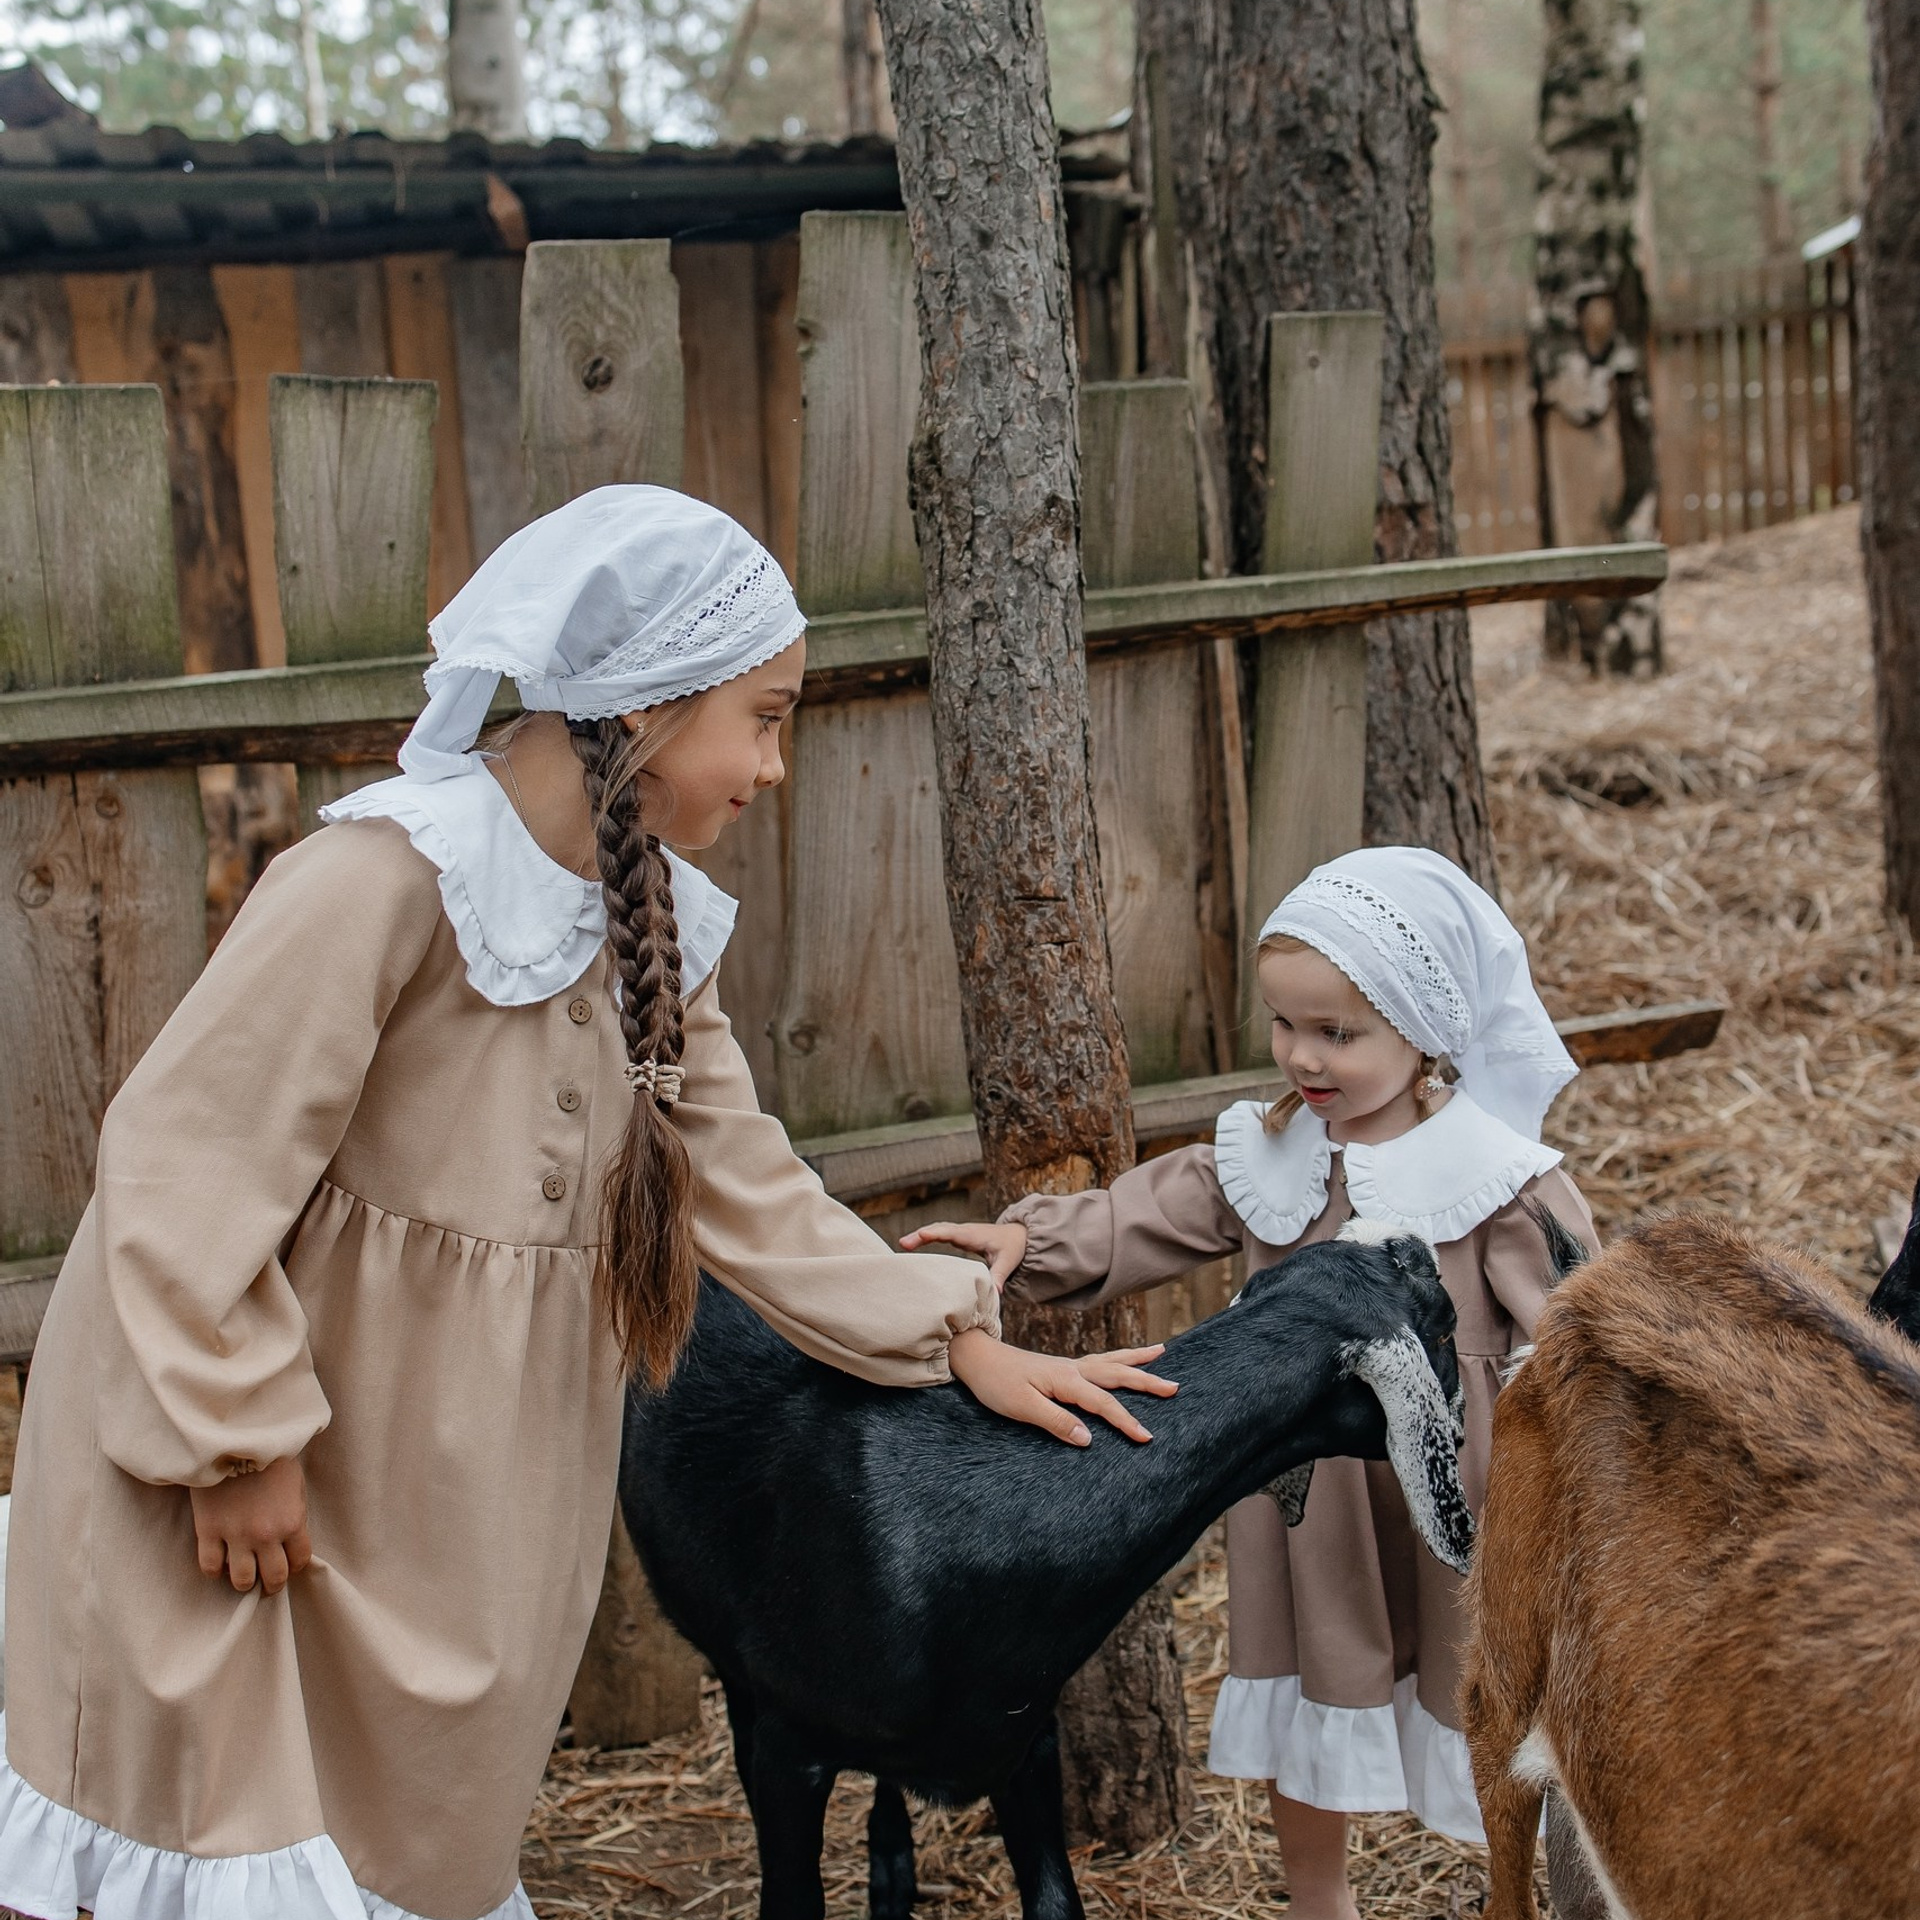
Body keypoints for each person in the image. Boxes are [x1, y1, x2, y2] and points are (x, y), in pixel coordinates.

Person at [0, 486, 1172, 1920]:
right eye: (766, 715)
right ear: (646, 708)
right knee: (249, 1831)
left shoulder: (656, 932)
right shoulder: (383, 881)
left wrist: (953, 1332)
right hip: (274, 1453)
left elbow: (748, 1186)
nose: (777, 764)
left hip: (466, 1483)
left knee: (420, 1835)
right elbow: (186, 1163)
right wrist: (235, 1436)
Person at [906, 847, 1597, 1920]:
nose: (1302, 1057)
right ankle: (1320, 1902)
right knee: (1309, 1706)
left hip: (1466, 1504)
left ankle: (1517, 1892)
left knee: (1495, 1707)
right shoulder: (1271, 1151)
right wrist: (1019, 1243)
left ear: (1422, 1030)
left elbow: (1572, 1339)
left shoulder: (1499, 1179)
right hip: (1308, 1493)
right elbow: (1137, 1217)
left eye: (1338, 1033)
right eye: (1286, 1025)